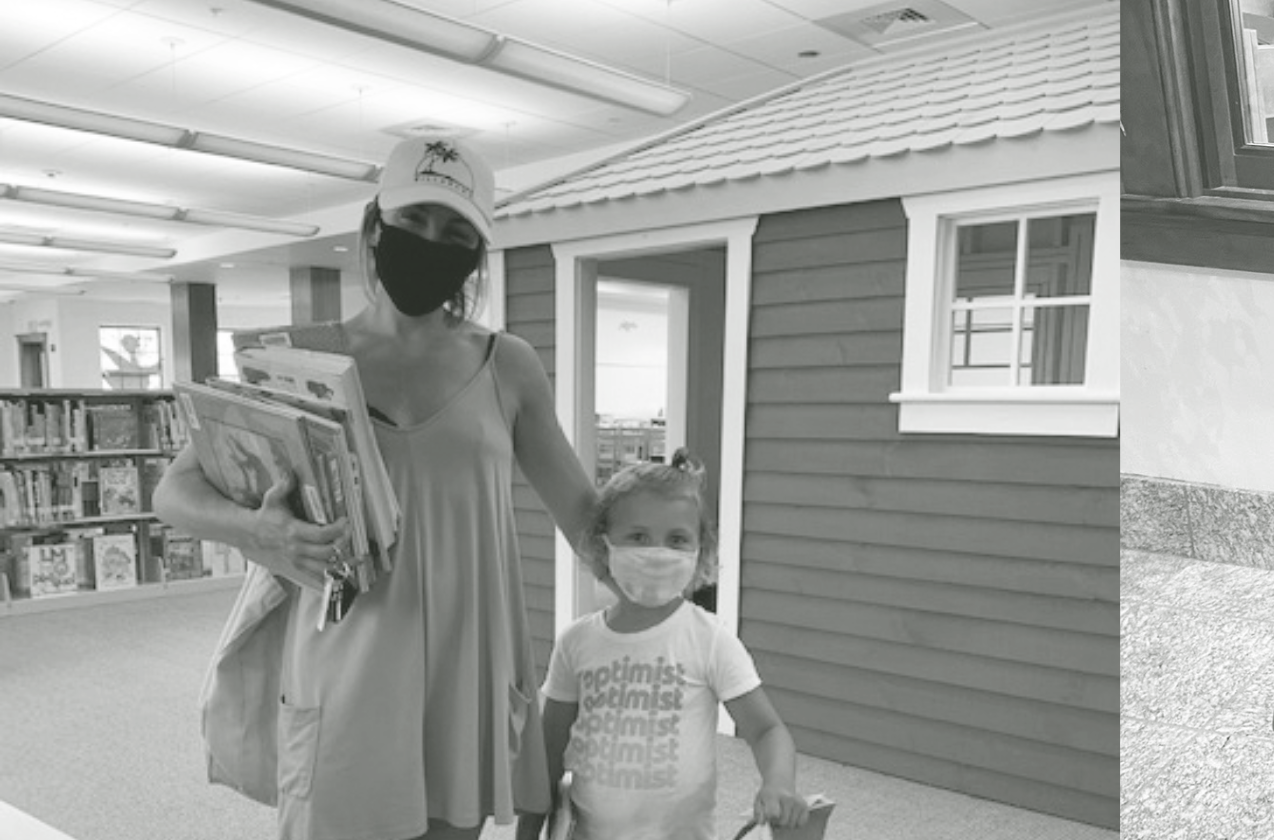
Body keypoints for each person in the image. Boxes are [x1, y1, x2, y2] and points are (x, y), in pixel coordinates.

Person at [177, 136, 607, 840]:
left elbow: (587, 521)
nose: (430, 242)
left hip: (463, 675)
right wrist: (258, 531)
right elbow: (176, 493)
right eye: (413, 220)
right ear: (375, 227)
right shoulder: (297, 358)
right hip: (343, 665)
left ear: (476, 253)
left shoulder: (508, 365)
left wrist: (668, 554)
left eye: (456, 232)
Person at [516, 455, 805, 840]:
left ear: (700, 550)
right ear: (603, 545)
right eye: (638, 536)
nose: (657, 552)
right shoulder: (576, 643)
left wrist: (778, 783)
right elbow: (548, 753)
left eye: (677, 540)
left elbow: (767, 729)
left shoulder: (709, 639)